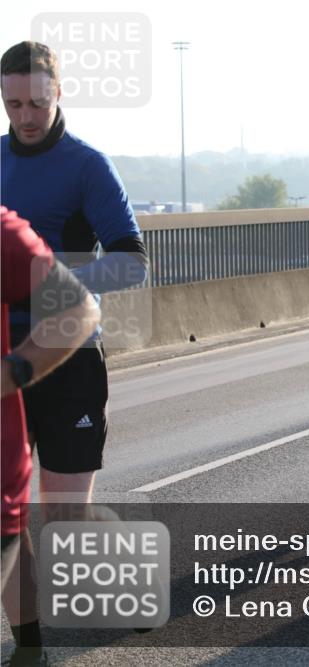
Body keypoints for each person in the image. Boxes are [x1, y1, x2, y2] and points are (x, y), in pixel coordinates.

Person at [1, 40, 149, 660]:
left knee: (63, 522)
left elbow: (132, 263)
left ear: (59, 93)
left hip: (69, 356)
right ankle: (29, 644)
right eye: (13, 103)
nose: (26, 116)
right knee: (9, 522)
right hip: (5, 364)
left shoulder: (87, 164)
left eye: (37, 101)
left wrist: (49, 274)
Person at [2, 206, 100, 667]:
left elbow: (81, 305)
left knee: (63, 518)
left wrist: (12, 370)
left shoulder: (4, 231)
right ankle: (30, 649)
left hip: (62, 365)